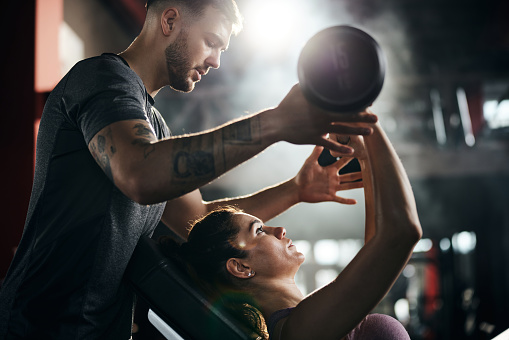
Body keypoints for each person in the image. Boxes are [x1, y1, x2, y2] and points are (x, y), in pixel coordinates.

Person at [0, 0, 378, 339]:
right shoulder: (103, 80)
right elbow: (139, 174)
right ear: (169, 20)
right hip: (37, 325)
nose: (216, 60)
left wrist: (296, 189)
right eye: (212, 41)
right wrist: (274, 124)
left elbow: (197, 221)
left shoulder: (155, 127)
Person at [158, 119, 423, 340]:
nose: (280, 229)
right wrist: (368, 125)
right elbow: (399, 233)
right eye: (259, 230)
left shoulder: (306, 319)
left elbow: (376, 249)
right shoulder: (298, 332)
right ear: (240, 267)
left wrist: (364, 156)